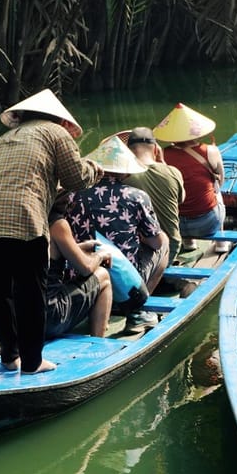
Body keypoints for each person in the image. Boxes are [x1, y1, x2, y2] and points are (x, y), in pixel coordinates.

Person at [0, 89, 103, 374]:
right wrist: (94, 168)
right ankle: (32, 362)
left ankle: (9, 357)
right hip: (23, 214)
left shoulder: (6, 138)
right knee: (30, 291)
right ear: (57, 118)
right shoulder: (55, 132)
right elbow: (76, 179)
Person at [67, 136, 169, 332]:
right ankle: (137, 310)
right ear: (125, 172)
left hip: (80, 270)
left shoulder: (72, 195)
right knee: (163, 242)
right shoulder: (136, 196)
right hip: (123, 274)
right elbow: (155, 243)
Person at [152, 103, 228, 253]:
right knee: (217, 189)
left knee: (176, 191)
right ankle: (221, 243)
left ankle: (189, 243)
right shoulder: (210, 151)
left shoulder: (162, 155)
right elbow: (221, 180)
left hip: (175, 225)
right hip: (207, 223)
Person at [45, 192, 114, 338]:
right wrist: (101, 255)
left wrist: (77, 248)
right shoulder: (58, 225)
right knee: (103, 276)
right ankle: (97, 342)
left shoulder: (28, 223)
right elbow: (86, 268)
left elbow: (49, 254)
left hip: (19, 315)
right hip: (49, 316)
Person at [123, 127, 186, 266]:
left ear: (128, 151)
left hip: (138, 250)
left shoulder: (123, 176)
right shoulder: (173, 172)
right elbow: (181, 200)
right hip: (171, 248)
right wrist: (163, 164)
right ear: (156, 149)